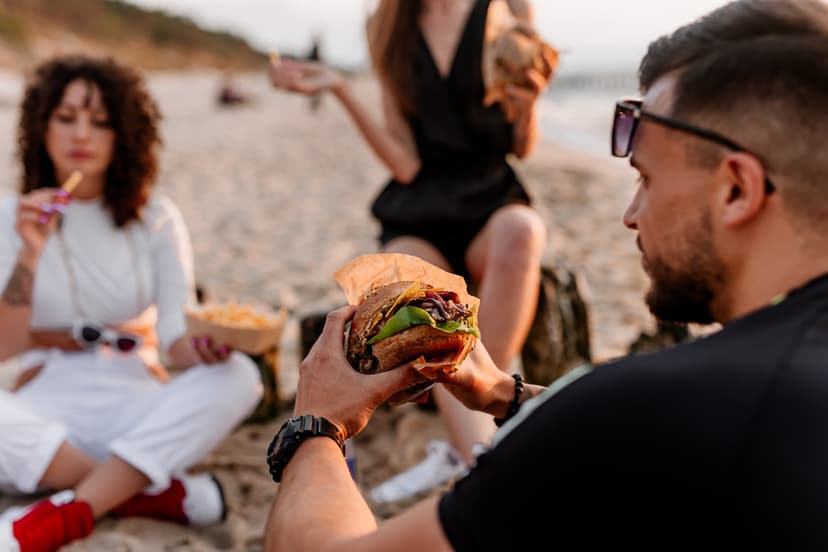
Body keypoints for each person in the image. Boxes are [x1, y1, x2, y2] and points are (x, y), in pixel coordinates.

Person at [262, 0, 828, 549]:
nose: (629, 214)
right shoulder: (721, 401)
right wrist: (505, 394)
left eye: (646, 178)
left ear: (737, 189)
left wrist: (316, 425)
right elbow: (625, 425)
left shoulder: (637, 404)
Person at [268, 0, 551, 502]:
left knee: (524, 231)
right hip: (420, 207)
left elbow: (524, 145)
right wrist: (339, 89)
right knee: (415, 287)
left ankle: (475, 434)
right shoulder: (388, 24)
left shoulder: (507, 10)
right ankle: (481, 459)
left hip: (492, 198)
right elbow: (403, 163)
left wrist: (529, 104)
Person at [0, 55, 263, 551]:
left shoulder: (155, 219)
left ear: (123, 134)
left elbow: (173, 341)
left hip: (139, 408)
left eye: (101, 122)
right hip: (48, 416)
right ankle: (143, 495)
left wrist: (204, 348)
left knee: (240, 376)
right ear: (41, 124)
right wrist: (29, 252)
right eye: (66, 116)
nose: (82, 134)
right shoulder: (12, 216)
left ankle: (69, 512)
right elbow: (6, 346)